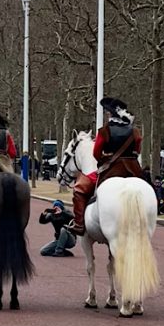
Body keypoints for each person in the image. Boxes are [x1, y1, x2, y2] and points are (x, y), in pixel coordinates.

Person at [67, 97, 143, 236]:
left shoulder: (104, 131)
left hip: (112, 170)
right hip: (133, 170)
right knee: (149, 189)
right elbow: (137, 150)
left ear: (111, 114)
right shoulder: (135, 131)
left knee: (79, 190)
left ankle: (78, 224)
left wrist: (105, 159)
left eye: (108, 113)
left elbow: (96, 153)